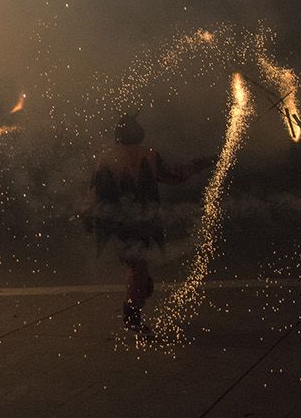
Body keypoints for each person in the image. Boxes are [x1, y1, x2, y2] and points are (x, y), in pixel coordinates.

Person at [87, 114, 209, 334]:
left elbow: (94, 191)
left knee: (136, 266)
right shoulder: (148, 155)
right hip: (135, 223)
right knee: (137, 268)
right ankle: (132, 315)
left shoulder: (106, 157)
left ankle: (138, 297)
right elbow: (173, 175)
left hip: (122, 223)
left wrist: (89, 214)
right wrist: (198, 165)